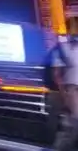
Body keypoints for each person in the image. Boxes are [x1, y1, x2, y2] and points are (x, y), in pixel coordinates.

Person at [50, 17, 78, 150]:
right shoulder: (62, 47)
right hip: (72, 90)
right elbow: (57, 74)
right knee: (73, 122)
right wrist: (64, 94)